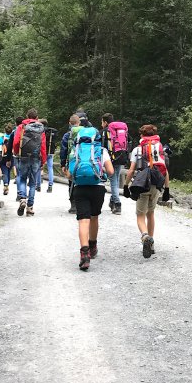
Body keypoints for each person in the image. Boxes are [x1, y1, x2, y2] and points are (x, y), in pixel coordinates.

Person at [69, 115, 112, 271]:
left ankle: (84, 253)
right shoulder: (101, 150)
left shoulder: (75, 150)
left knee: (83, 220)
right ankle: (93, 245)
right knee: (94, 217)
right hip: (97, 187)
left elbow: (69, 174)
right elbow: (111, 171)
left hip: (80, 188)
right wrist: (104, 175)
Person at [126, 124, 170, 258]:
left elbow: (132, 170)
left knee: (140, 215)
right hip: (156, 184)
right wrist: (166, 189)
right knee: (150, 214)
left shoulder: (138, 149)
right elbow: (165, 170)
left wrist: (126, 185)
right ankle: (152, 245)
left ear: (141, 135)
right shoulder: (160, 148)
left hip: (142, 185)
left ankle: (145, 237)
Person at [12, 109, 46, 217]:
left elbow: (16, 141)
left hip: (23, 156)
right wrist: (43, 160)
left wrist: (17, 152)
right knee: (32, 183)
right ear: (37, 118)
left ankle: (22, 198)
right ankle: (30, 207)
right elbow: (43, 146)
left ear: (27, 116)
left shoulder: (21, 126)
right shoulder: (41, 128)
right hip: (36, 157)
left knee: (22, 178)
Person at [102, 113, 129, 215]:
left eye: (102, 122)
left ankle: (117, 204)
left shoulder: (105, 131)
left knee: (113, 180)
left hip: (111, 159)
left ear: (105, 122)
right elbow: (129, 140)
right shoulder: (121, 130)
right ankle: (113, 201)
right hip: (121, 156)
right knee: (116, 179)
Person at [60, 114, 80, 214]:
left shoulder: (67, 135)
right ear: (79, 122)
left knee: (71, 182)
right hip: (83, 161)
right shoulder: (85, 132)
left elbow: (64, 150)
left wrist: (63, 164)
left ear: (69, 123)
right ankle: (81, 203)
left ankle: (73, 205)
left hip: (71, 162)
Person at [37, 122, 58, 193]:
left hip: (43, 152)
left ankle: (38, 185)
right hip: (51, 152)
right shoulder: (52, 131)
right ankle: (50, 185)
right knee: (50, 168)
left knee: (39, 167)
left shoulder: (41, 131)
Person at [0, 123, 13, 194]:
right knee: (8, 171)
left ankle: (6, 184)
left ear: (4, 131)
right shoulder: (13, 137)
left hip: (3, 156)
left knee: (4, 170)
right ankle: (6, 184)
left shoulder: (1, 138)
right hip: (11, 156)